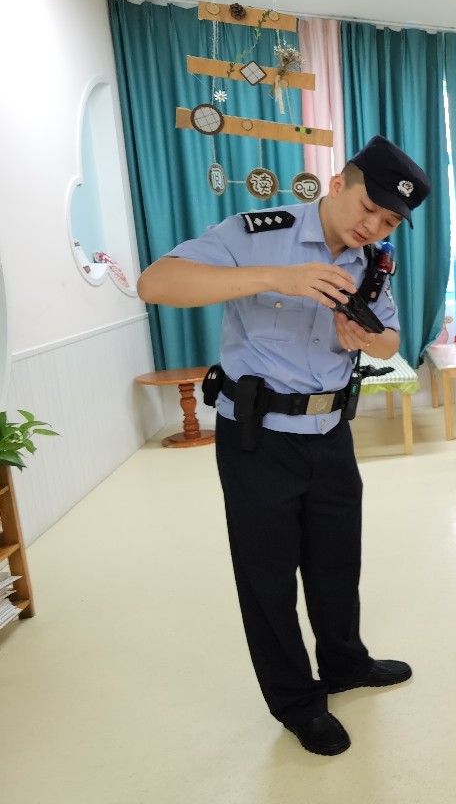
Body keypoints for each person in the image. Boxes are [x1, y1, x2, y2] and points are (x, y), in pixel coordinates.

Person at [135, 135, 428, 755]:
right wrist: (277, 277)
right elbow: (155, 283)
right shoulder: (256, 232)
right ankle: (297, 702)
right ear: (338, 184)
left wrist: (365, 339)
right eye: (368, 208)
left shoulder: (374, 262)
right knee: (267, 577)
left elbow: (390, 339)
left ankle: (345, 664)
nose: (372, 227)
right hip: (258, 438)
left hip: (331, 433)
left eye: (388, 221)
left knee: (336, 562)